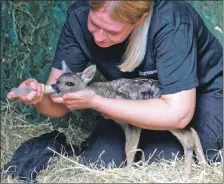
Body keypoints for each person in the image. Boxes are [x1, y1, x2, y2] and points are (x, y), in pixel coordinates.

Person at [8, 0, 223, 166]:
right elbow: (57, 104)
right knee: (100, 161)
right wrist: (38, 98)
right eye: (94, 24)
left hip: (196, 95)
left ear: (139, 20)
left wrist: (97, 102)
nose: (100, 37)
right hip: (132, 98)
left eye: (112, 31)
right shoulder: (78, 18)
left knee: (163, 161)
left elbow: (179, 114)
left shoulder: (171, 22)